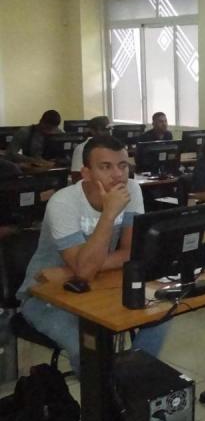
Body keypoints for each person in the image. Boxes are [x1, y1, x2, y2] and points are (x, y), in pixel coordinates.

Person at [16, 135, 169, 375]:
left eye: (122, 166)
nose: (118, 175)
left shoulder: (132, 191)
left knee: (162, 315)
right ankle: (107, 400)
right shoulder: (63, 202)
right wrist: (109, 214)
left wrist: (73, 270)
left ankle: (127, 383)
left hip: (96, 285)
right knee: (88, 347)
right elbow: (85, 271)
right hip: (45, 296)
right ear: (86, 173)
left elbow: (129, 253)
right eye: (105, 167)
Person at [70, 116, 110, 182]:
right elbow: (75, 178)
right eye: (103, 129)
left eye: (108, 129)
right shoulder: (81, 148)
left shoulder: (113, 147)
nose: (107, 132)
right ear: (93, 131)